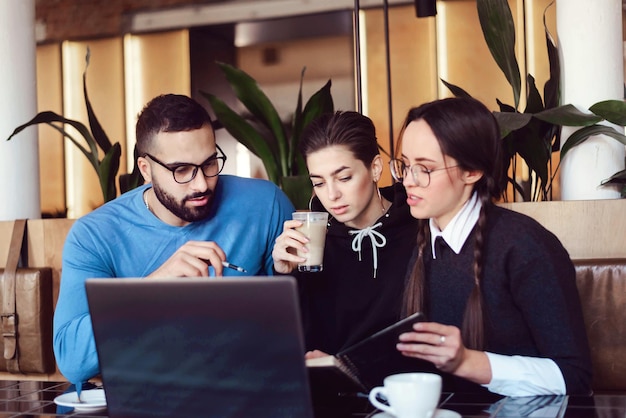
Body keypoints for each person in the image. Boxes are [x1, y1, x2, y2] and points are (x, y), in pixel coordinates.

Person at [53, 94, 295, 384]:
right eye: (181, 170)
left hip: (250, 392)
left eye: (209, 163)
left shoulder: (265, 204)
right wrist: (154, 290)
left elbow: (304, 320)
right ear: (146, 170)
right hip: (148, 399)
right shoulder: (95, 235)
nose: (202, 183)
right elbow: (72, 359)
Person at [391, 97, 592, 396]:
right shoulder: (422, 239)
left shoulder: (525, 245)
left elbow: (575, 377)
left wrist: (467, 362)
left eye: (425, 169)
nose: (408, 180)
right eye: (405, 166)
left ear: (472, 171)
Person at [272, 111, 419, 355]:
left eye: (344, 177)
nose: (331, 195)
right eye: (318, 183)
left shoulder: (419, 227)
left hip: (406, 387)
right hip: (333, 389)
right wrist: (286, 277)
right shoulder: (313, 244)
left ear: (374, 168)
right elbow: (291, 346)